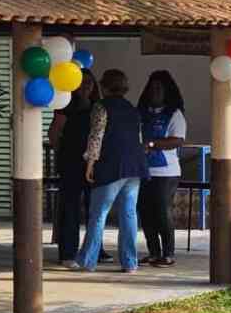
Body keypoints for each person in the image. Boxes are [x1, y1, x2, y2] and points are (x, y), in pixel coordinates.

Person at [74, 69, 148, 273]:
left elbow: (96, 135)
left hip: (111, 165)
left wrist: (90, 162)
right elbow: (139, 138)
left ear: (104, 86)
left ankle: (88, 261)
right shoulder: (133, 109)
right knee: (129, 214)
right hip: (134, 166)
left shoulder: (101, 107)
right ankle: (130, 263)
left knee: (98, 214)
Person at [47, 69, 110, 267]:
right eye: (82, 83)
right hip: (71, 164)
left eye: (90, 83)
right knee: (70, 209)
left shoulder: (97, 107)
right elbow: (54, 133)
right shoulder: (65, 107)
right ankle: (67, 253)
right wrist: (63, 151)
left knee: (96, 209)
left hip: (93, 164)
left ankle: (95, 249)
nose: (86, 87)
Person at [137, 71, 187, 267]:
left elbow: (177, 140)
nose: (154, 91)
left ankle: (168, 253)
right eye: (152, 87)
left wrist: (151, 145)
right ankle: (153, 252)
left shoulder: (174, 114)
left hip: (166, 173)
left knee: (161, 211)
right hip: (142, 170)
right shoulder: (140, 112)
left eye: (159, 88)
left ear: (167, 91)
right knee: (145, 211)